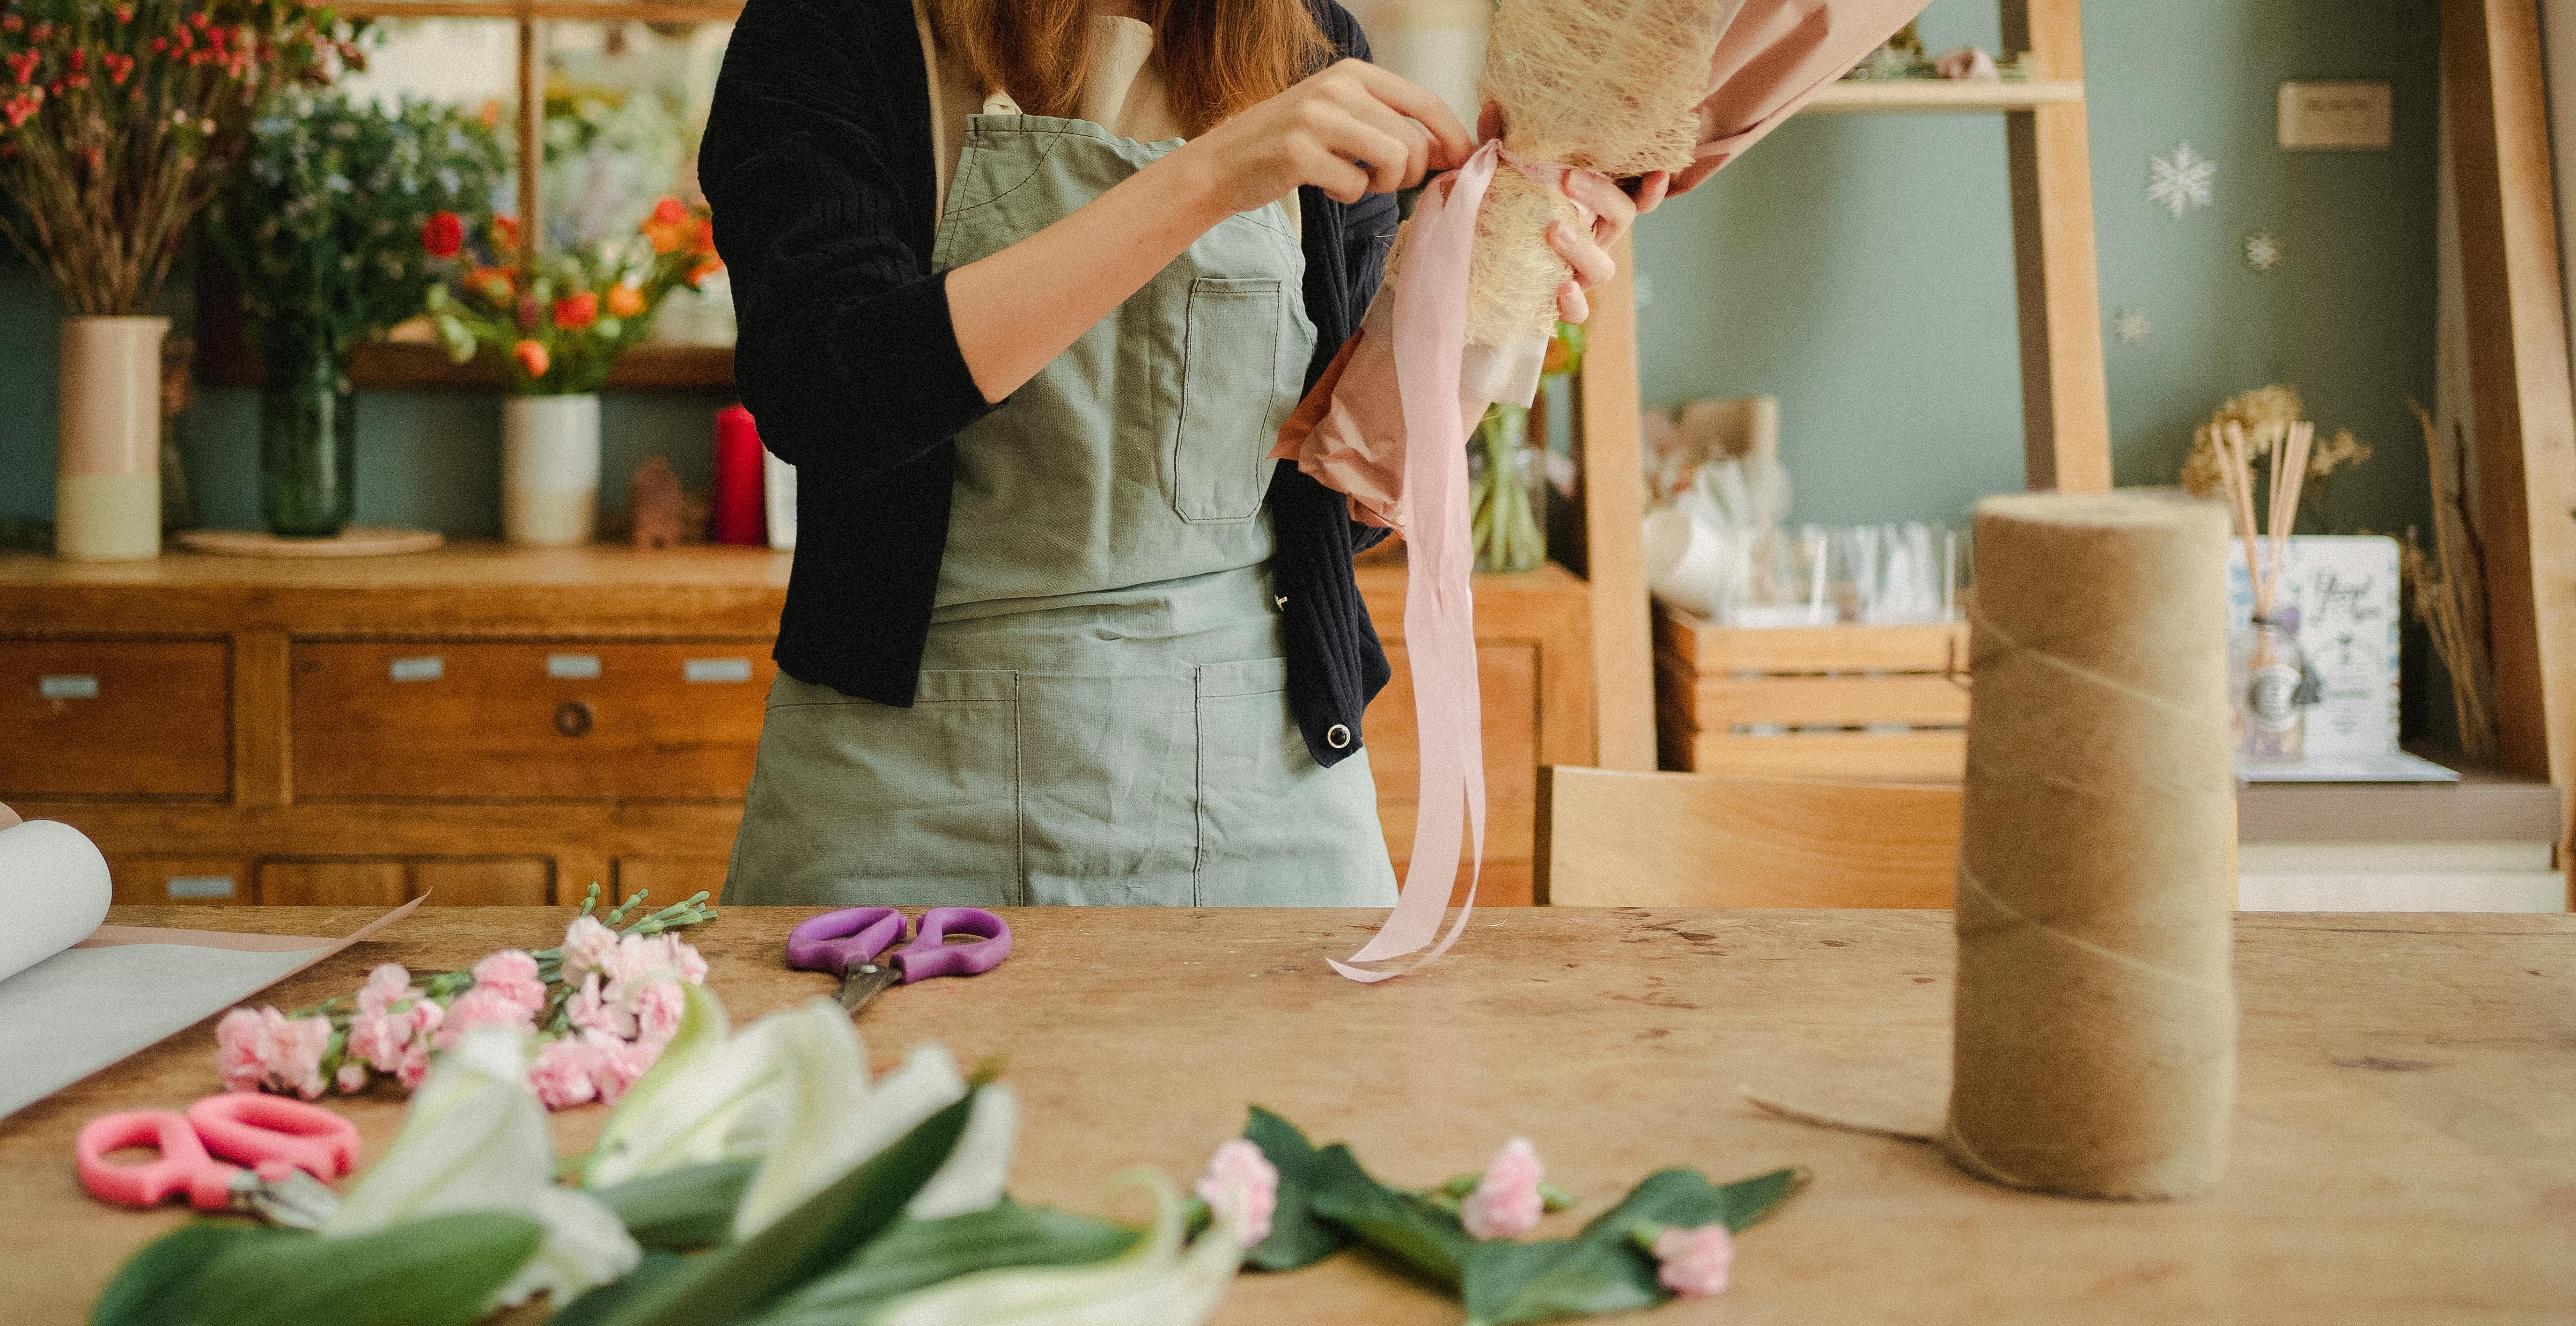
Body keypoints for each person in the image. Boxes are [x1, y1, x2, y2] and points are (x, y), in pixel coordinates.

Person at [705, 0, 1657, 907]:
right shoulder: (832, 28)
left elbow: (1330, 494)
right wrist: (1210, 176)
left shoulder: (1309, 40)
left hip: (1262, 803)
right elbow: (825, 396)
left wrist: (1482, 285)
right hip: (896, 807)